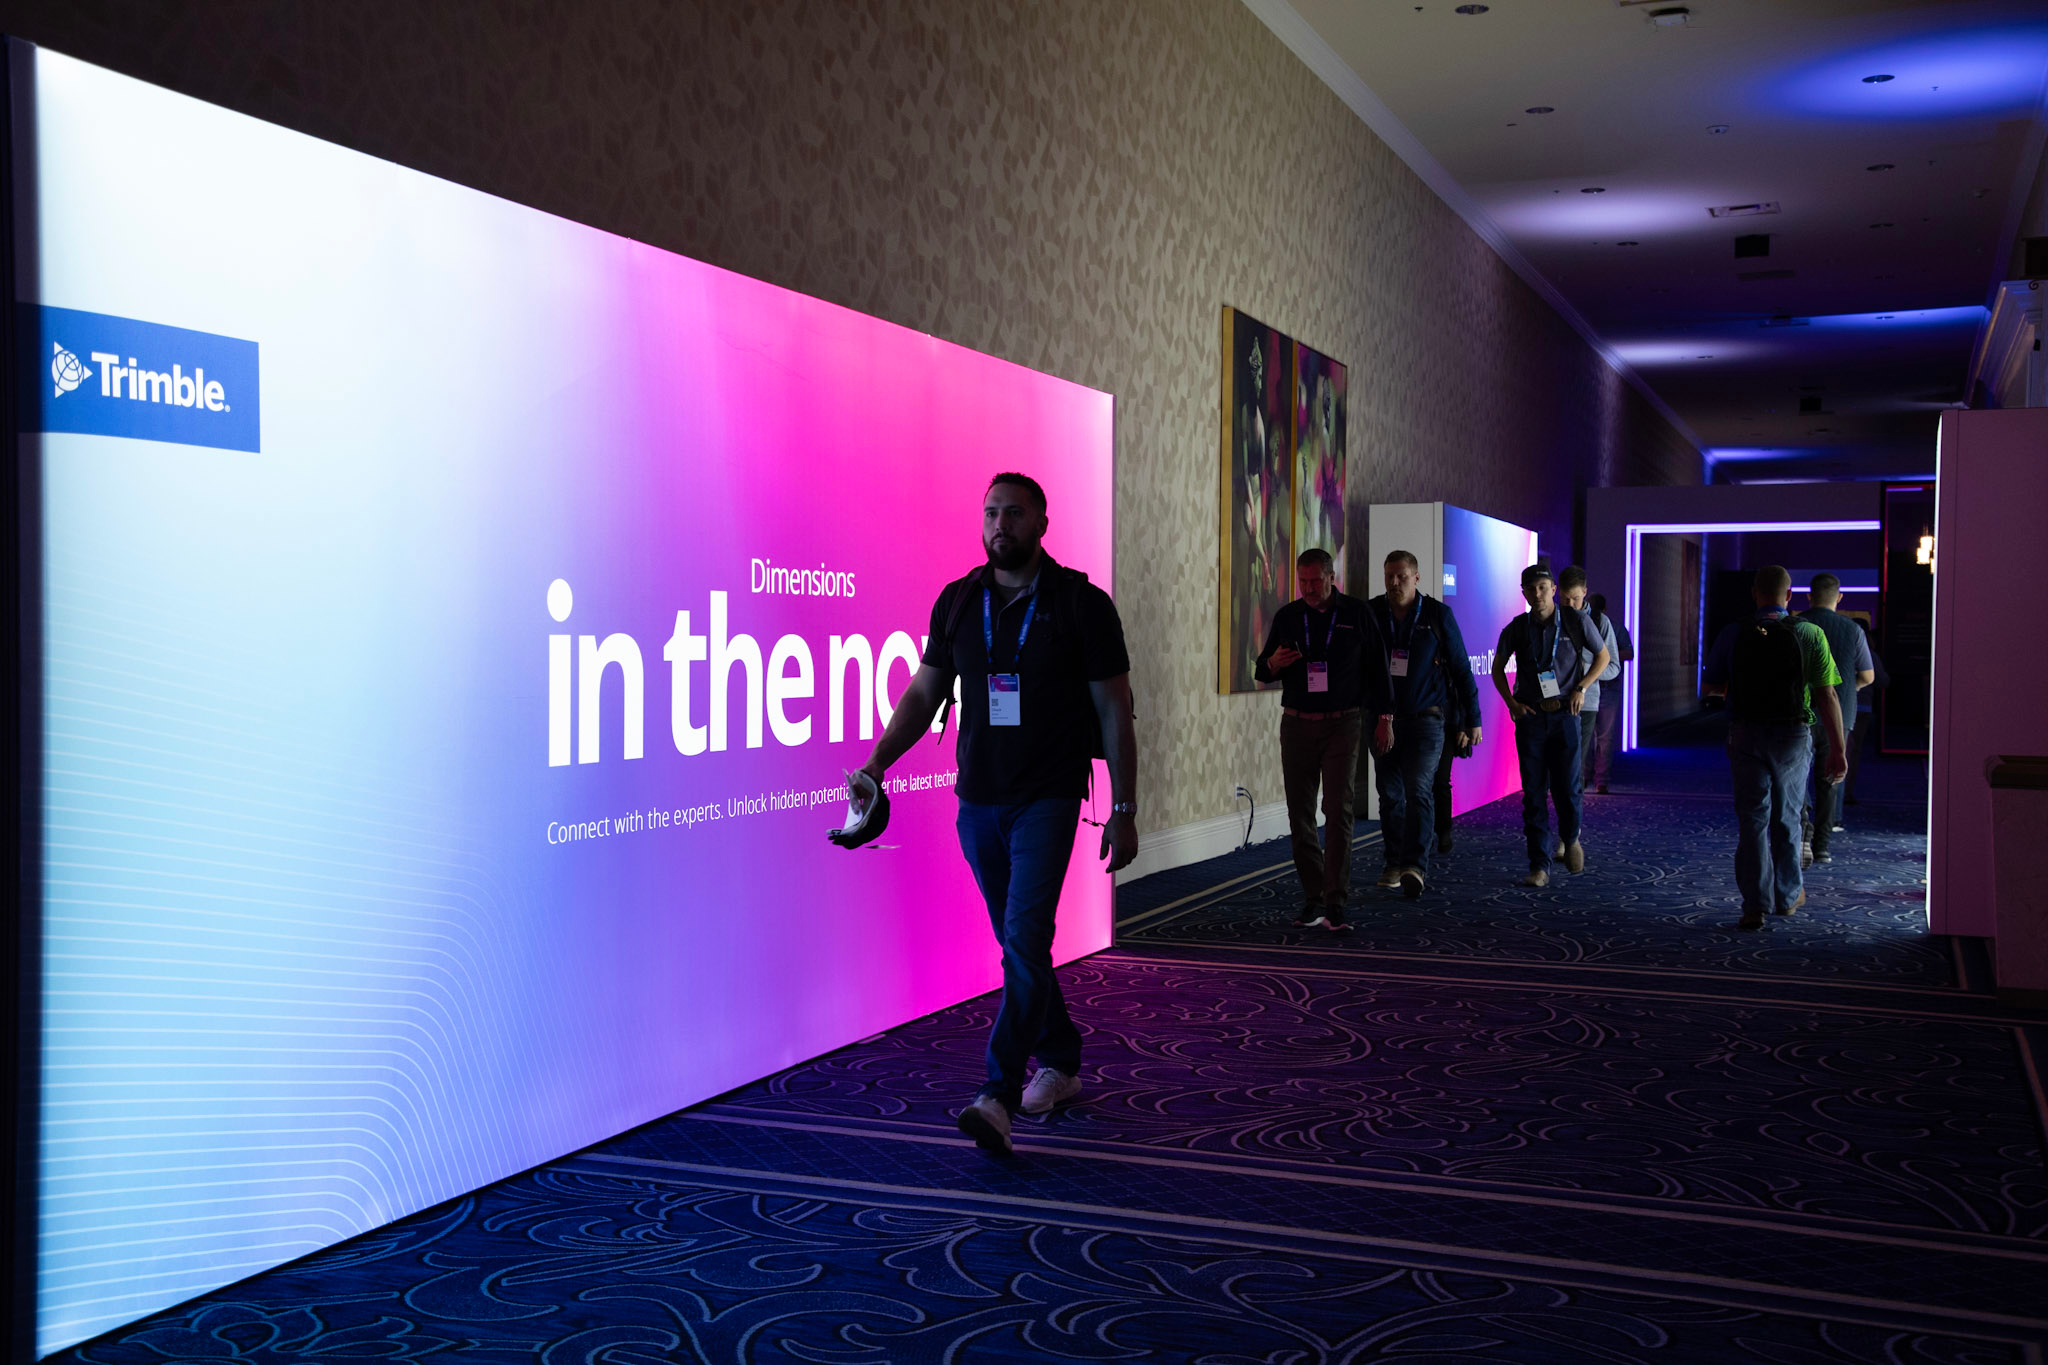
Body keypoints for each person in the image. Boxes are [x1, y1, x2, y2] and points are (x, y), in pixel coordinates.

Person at [848, 473, 1138, 1156]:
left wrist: (1125, 807)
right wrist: (876, 764)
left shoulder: (1080, 604)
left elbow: (1114, 711)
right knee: (1019, 945)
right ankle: (1060, 1059)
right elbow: (924, 694)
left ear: (1042, 522)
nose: (999, 524)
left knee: (1025, 935)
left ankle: (996, 1095)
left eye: (1013, 513)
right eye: (990, 513)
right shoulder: (958, 601)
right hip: (977, 801)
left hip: (1048, 798)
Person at [1701, 566, 1847, 932]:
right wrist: (1838, 749)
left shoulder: (1734, 632)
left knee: (1753, 820)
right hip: (1793, 735)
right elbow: (1827, 694)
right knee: (1788, 816)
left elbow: (1711, 688)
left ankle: (1754, 905)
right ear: (1790, 595)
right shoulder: (1809, 633)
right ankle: (1788, 896)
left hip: (1745, 733)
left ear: (1754, 593)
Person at [1255, 548, 1391, 931]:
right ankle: (1313, 897)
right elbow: (1262, 669)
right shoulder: (1288, 616)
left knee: (1337, 809)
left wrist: (1385, 719)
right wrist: (1272, 664)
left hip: (1342, 723)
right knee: (1300, 814)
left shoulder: (1356, 613)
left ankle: (1335, 901)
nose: (1309, 588)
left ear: (1332, 577)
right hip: (1297, 724)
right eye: (1303, 582)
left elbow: (1379, 670)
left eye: (1316, 581)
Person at [1368, 550, 1480, 899]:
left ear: (1416, 578)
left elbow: (1461, 669)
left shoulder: (1436, 615)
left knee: (1418, 790)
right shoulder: (1372, 613)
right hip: (1382, 720)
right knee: (1390, 795)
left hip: (1427, 720)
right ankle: (1393, 862)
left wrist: (1473, 719)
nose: (1394, 582)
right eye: (1389, 576)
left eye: (1401, 576)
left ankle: (1415, 865)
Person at [1491, 564, 1608, 887]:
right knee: (1533, 794)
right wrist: (1512, 703)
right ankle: (1539, 865)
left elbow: (1603, 656)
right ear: (1524, 593)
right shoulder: (1517, 628)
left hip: (1565, 716)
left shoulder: (1575, 620)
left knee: (1567, 788)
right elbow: (1497, 668)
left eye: (1543, 587)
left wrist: (1582, 688)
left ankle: (1570, 838)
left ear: (1554, 590)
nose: (1538, 594)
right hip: (1530, 718)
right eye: (1531, 589)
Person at [1795, 574, 1873, 863]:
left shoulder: (1795, 625)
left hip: (1800, 712)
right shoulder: (1852, 630)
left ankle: (1803, 831)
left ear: (1808, 596)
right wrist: (1848, 688)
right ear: (1839, 597)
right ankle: (1822, 845)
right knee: (1831, 779)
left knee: (1797, 775)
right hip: (1841, 714)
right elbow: (1868, 676)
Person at [1558, 569, 1621, 808]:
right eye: (1565, 599)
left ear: (1585, 592)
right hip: (1555, 700)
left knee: (1577, 761)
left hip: (1586, 702)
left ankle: (1572, 817)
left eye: (1575, 598)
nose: (1571, 605)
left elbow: (1613, 667)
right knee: (1558, 762)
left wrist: (1584, 674)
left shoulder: (1599, 621)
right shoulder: (1554, 618)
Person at [1583, 591, 1632, 794]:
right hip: (1602, 686)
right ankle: (1597, 779)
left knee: (1589, 735)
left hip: (1601, 686)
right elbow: (1629, 653)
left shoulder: (1612, 627)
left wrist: (1604, 655)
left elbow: (1628, 653)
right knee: (1602, 736)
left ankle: (1589, 777)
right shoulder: (1614, 626)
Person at [1844, 619, 1889, 807]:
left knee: (1841, 748)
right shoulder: (1870, 654)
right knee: (1853, 752)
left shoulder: (1843, 650)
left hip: (1843, 705)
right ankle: (1847, 792)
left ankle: (1837, 793)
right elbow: (1881, 680)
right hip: (1862, 707)